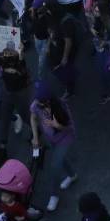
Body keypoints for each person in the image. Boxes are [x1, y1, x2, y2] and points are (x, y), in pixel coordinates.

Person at [29, 82, 77, 212]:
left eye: (41, 101)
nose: (37, 103)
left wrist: (57, 126)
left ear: (48, 100)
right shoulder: (36, 104)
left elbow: (70, 127)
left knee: (55, 166)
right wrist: (35, 136)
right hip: (50, 139)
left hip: (64, 139)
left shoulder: (61, 105)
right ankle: (72, 175)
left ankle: (54, 195)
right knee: (60, 159)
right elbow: (33, 118)